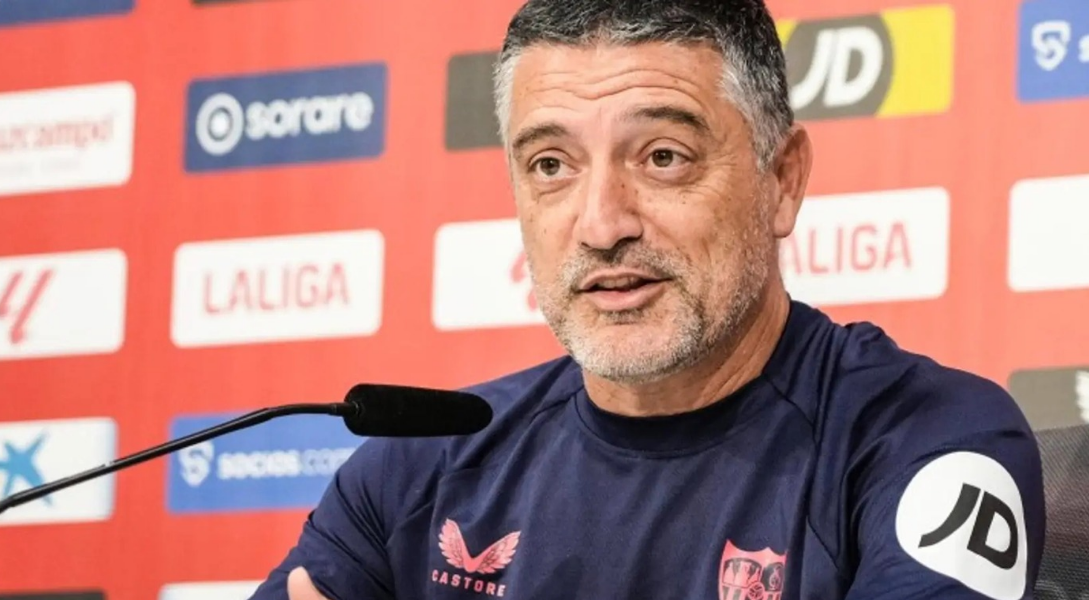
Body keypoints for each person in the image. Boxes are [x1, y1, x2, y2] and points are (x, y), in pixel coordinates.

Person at [249, 0, 1046, 598]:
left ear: (782, 181)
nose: (600, 224)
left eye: (663, 157)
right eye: (551, 166)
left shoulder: (929, 442)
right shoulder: (414, 467)